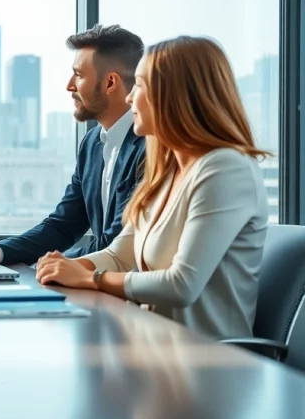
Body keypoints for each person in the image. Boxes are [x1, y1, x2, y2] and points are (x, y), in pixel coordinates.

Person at [36, 36, 269, 339]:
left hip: (209, 364)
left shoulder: (225, 168)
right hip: (153, 347)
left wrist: (92, 278)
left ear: (175, 95)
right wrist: (66, 266)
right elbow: (121, 255)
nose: (129, 98)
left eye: (141, 85)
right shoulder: (166, 169)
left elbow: (182, 284)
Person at [0, 24, 146, 265]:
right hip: (95, 289)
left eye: (79, 74)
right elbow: (63, 225)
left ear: (110, 83)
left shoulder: (149, 147)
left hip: (130, 295)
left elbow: (115, 244)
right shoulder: (92, 144)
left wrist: (54, 266)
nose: (69, 85)